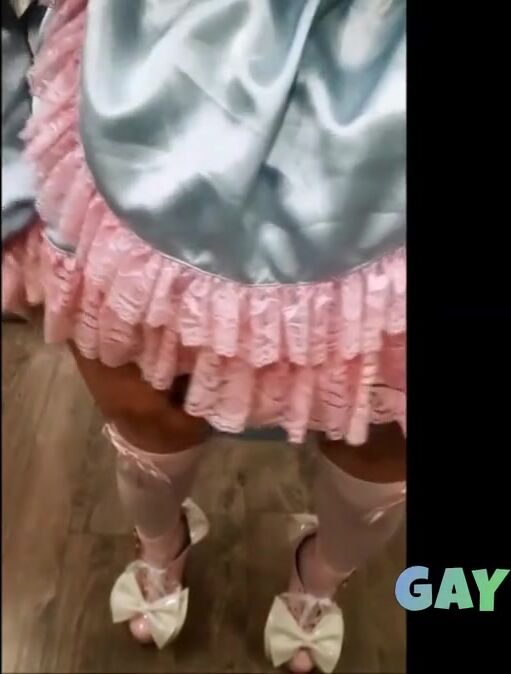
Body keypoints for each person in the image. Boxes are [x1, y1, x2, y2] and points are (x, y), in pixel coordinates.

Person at [1, 1, 406, 672]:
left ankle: (320, 580)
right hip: (142, 111)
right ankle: (161, 543)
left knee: (382, 441)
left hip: (387, 136)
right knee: (145, 412)